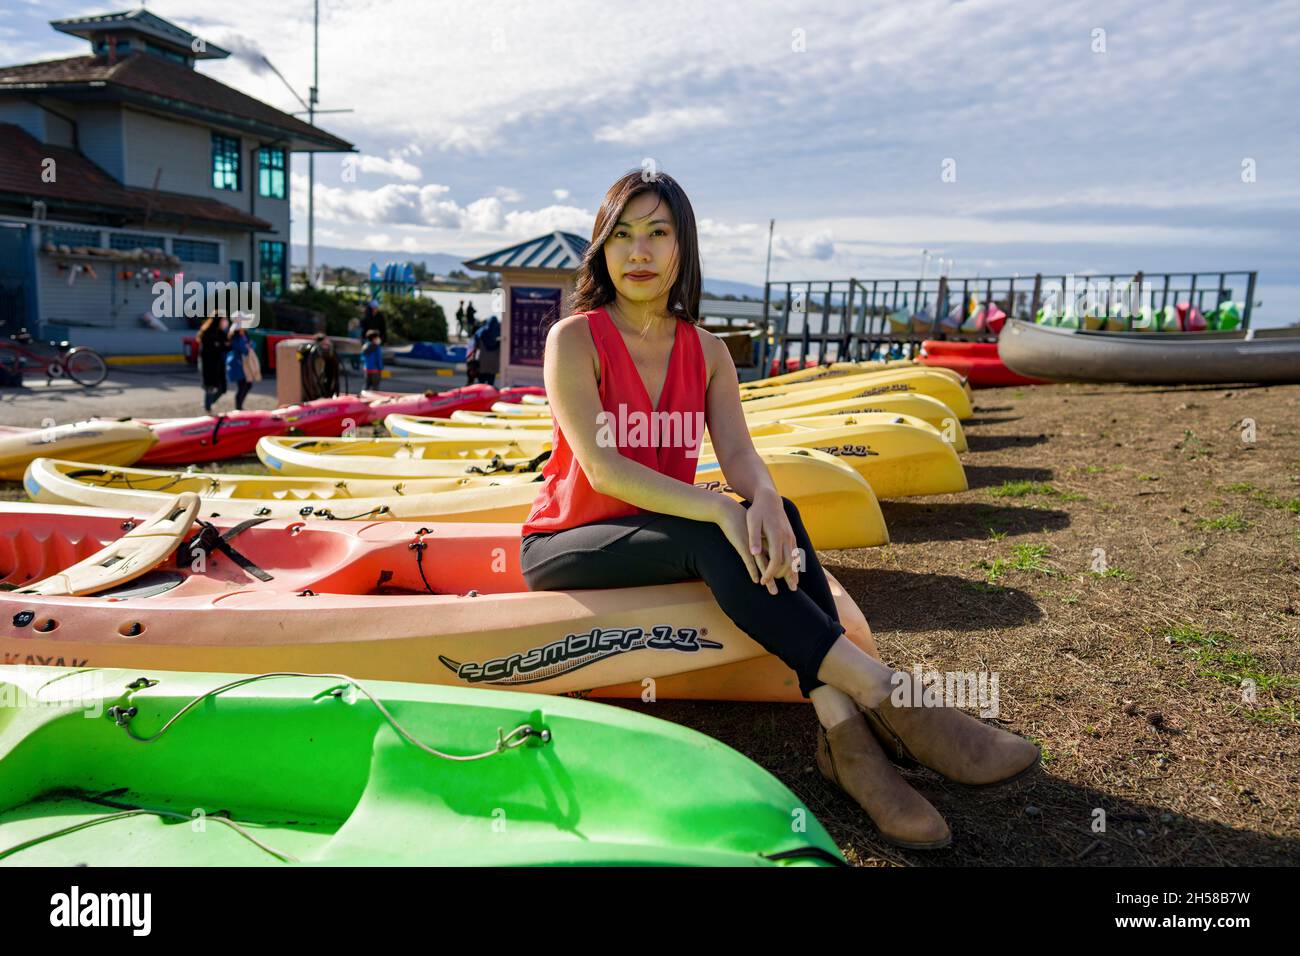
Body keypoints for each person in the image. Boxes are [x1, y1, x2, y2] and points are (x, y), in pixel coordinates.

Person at [517, 169, 1040, 850]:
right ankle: (895, 700)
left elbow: (740, 456)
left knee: (779, 514)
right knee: (717, 533)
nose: (638, 252)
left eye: (657, 233)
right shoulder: (576, 340)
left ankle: (848, 743)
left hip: (666, 530)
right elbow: (603, 467)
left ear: (684, 249)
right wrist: (720, 510)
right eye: (622, 236)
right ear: (602, 249)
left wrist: (759, 498)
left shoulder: (705, 353)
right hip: (571, 541)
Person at [196, 312, 231, 412]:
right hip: (208, 364)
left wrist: (222, 345)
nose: (226, 322)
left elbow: (227, 346)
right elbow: (212, 348)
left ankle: (209, 404)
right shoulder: (207, 332)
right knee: (210, 386)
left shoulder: (221, 332)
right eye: (224, 319)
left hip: (219, 364)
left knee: (222, 388)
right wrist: (221, 345)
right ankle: (208, 408)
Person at [225, 322, 257, 410]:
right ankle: (238, 407)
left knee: (247, 385)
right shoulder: (236, 336)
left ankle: (239, 406)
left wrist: (249, 346)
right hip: (238, 364)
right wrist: (248, 346)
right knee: (242, 385)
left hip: (244, 364)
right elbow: (242, 348)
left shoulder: (244, 335)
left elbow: (251, 345)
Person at [468, 314, 500, 387]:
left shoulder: (481, 332)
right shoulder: (499, 333)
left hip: (482, 362)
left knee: (480, 384)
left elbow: (474, 346)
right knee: (490, 385)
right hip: (494, 364)